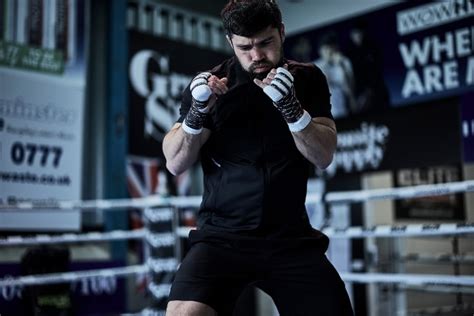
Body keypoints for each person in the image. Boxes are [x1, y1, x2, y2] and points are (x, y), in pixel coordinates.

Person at [162, 1, 354, 315]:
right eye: (245, 47)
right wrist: (197, 114)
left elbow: (323, 155)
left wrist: (293, 111)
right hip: (221, 237)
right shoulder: (212, 85)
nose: (257, 56)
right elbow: (174, 162)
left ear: (281, 32)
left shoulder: (307, 79)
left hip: (288, 238)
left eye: (265, 43)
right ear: (230, 43)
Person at [314, 32, 356, 119]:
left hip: (345, 110)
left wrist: (340, 66)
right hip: (325, 115)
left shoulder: (344, 62)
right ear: (320, 51)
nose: (329, 52)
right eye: (325, 49)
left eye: (331, 48)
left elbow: (349, 89)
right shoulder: (316, 66)